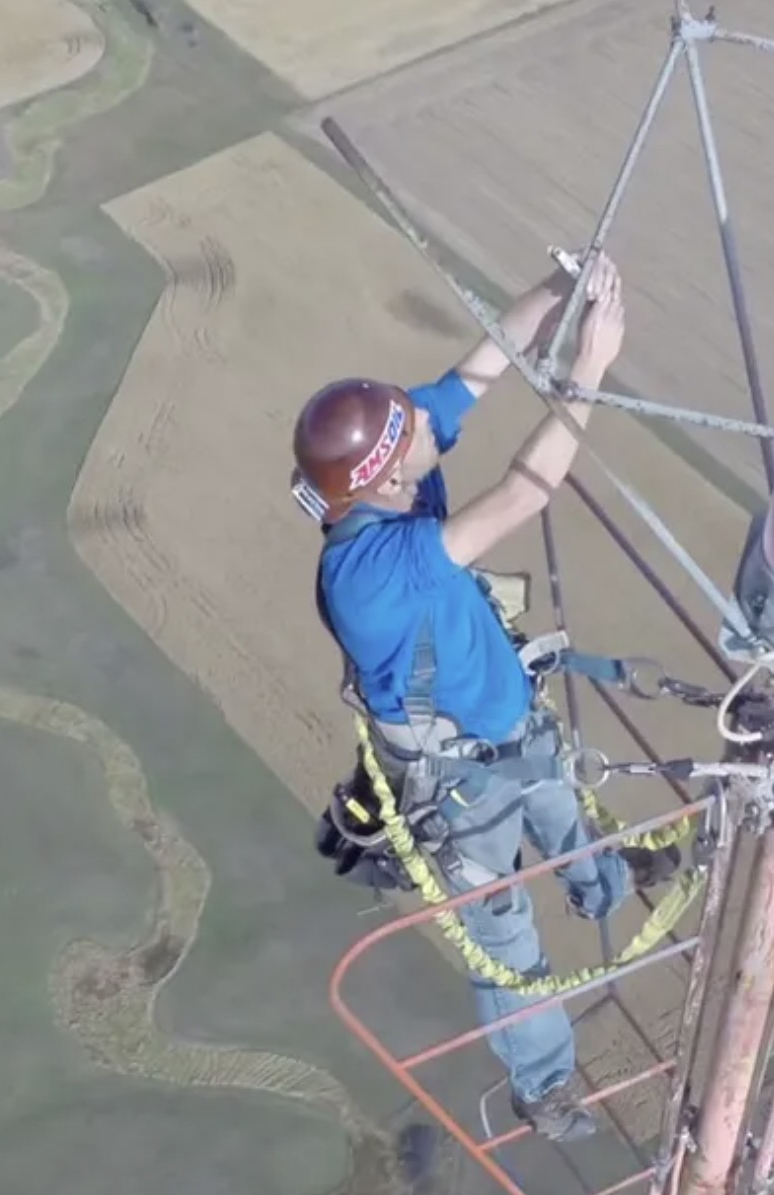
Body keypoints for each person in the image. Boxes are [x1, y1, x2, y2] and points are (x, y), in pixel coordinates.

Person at [292, 252, 676, 1143]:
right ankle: (543, 1084)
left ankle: (614, 882)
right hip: (458, 791)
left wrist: (558, 289)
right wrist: (590, 371)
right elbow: (520, 497)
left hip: (507, 726)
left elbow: (478, 366)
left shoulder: (387, 483)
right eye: (412, 427)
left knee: (563, 815)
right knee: (507, 948)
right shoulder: (370, 574)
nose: (429, 423)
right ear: (386, 477)